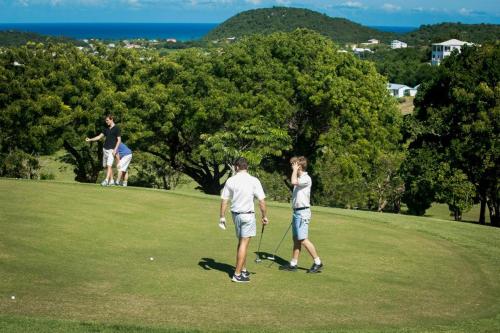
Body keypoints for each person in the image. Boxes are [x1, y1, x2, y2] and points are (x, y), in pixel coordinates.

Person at [219, 157, 269, 283]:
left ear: (236, 167)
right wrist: (264, 216)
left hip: (235, 215)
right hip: (247, 215)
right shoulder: (254, 181)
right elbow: (262, 201)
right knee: (244, 243)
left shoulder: (231, 180)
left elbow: (224, 200)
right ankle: (237, 274)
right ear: (247, 167)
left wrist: (222, 216)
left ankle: (243, 269)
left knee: (241, 242)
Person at [279, 156, 323, 273]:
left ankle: (318, 262)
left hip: (303, 212)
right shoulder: (299, 177)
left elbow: (293, 182)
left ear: (300, 166)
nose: (292, 167)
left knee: (303, 239)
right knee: (296, 239)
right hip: (297, 212)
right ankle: (293, 264)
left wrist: (294, 170)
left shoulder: (306, 178)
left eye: (294, 165)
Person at [85, 115, 121, 186]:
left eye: (107, 120)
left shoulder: (117, 128)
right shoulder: (106, 129)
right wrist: (90, 139)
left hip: (111, 150)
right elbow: (99, 137)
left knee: (109, 165)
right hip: (105, 149)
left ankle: (106, 180)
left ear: (111, 120)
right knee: (106, 166)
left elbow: (119, 140)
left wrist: (115, 150)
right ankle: (112, 180)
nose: (106, 122)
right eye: (106, 121)